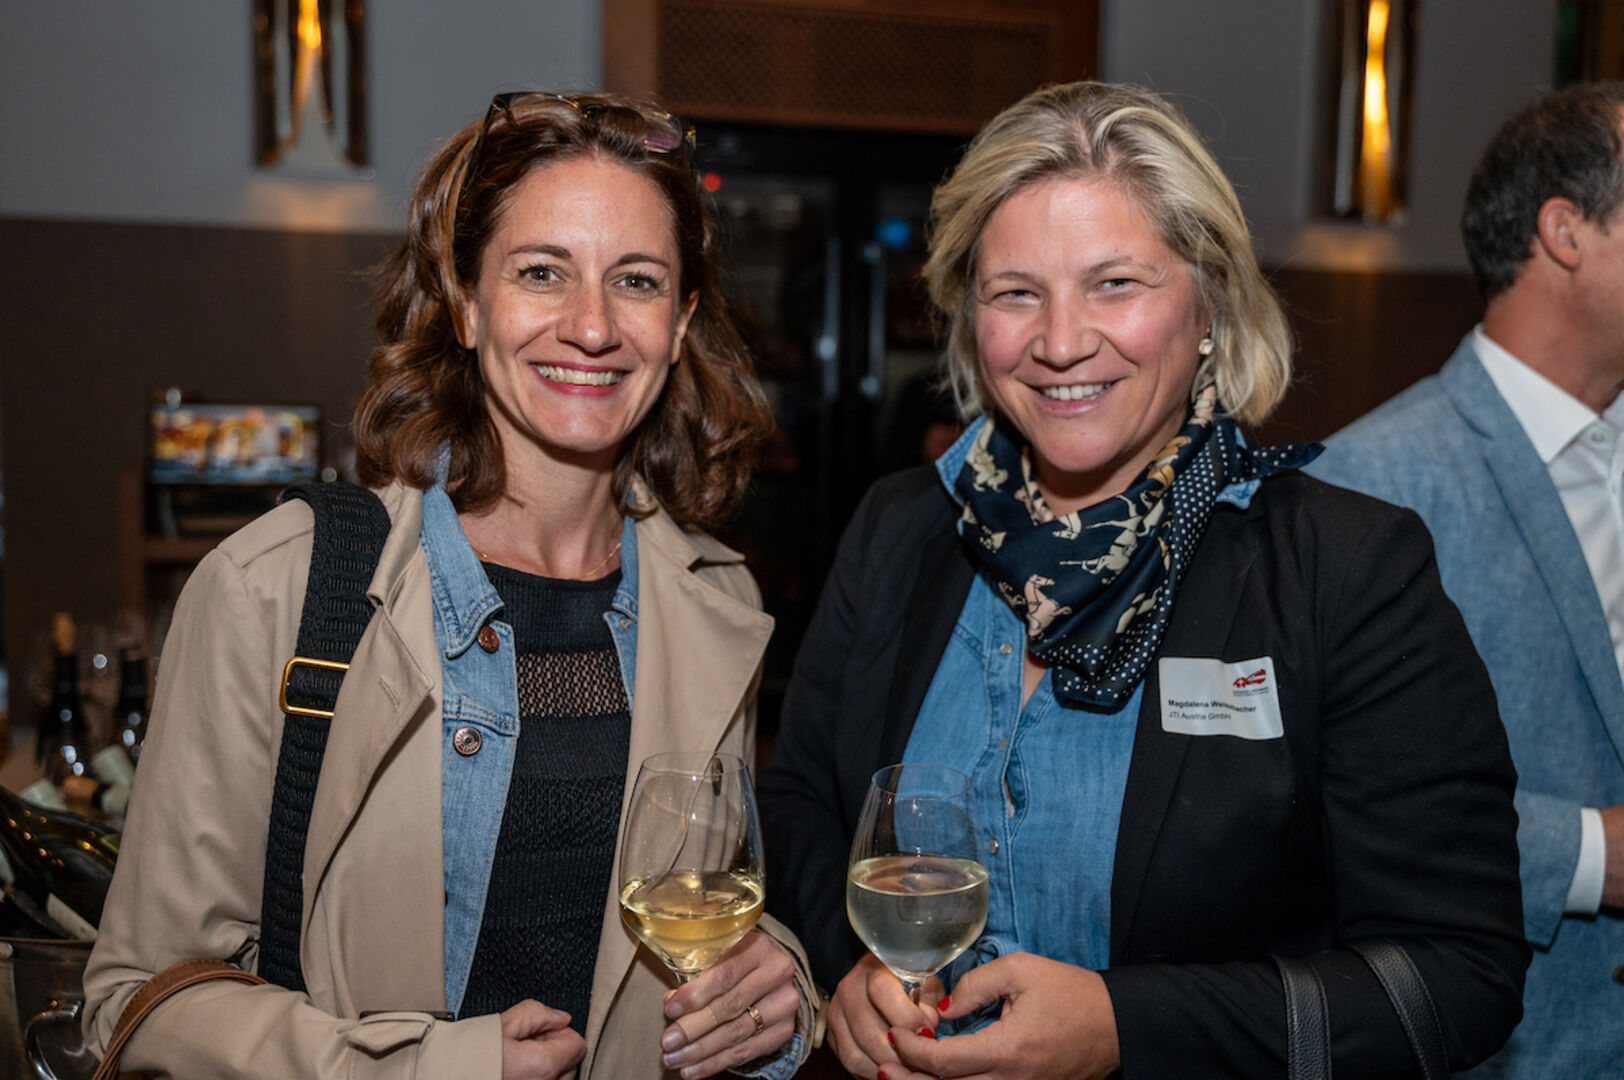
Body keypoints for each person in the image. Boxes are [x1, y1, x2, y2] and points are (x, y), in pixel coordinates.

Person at [757, 80, 1529, 1079]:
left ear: (1209, 304)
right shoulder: (902, 527)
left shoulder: (1343, 571)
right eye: (1016, 292)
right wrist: (851, 966)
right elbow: (802, 805)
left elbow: (1457, 976)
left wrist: (1124, 1027)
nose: (1061, 341)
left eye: (1115, 283)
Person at [81, 91, 818, 1080]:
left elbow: (706, 914)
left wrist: (776, 987)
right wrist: (425, 1065)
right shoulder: (278, 588)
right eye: (541, 272)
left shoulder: (717, 606)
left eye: (637, 281)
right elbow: (136, 1002)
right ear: (466, 303)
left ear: (679, 322)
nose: (592, 326)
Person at [1308, 82, 1624, 1079]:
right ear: (1565, 232)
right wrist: (1590, 857)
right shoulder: (1366, 483)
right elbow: (1325, 800)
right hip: (1513, 1044)